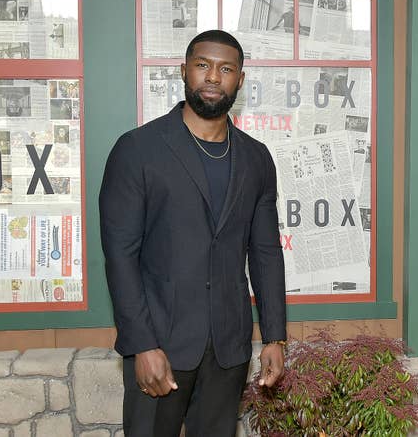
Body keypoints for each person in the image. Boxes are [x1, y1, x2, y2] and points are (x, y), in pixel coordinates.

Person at [99, 30, 287, 437]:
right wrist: (141, 345)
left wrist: (275, 336)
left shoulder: (256, 158)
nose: (213, 77)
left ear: (240, 79)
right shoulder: (138, 149)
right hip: (160, 345)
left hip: (228, 349)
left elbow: (266, 251)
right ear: (184, 72)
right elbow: (120, 255)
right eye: (203, 66)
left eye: (226, 69)